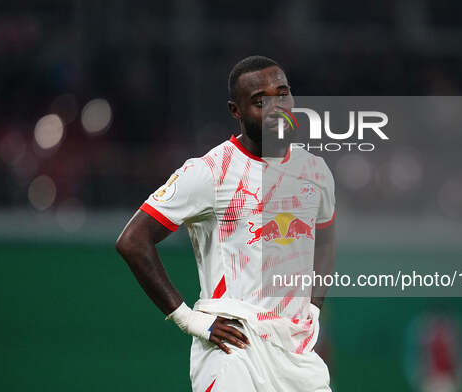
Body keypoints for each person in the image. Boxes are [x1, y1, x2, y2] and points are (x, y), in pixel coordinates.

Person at [116, 55, 336, 391]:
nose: (277, 107)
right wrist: (189, 319)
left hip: (294, 351)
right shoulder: (209, 172)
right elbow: (132, 240)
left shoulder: (315, 171)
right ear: (236, 111)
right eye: (260, 101)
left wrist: (313, 306)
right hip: (233, 346)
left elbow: (325, 237)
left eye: (283, 94)